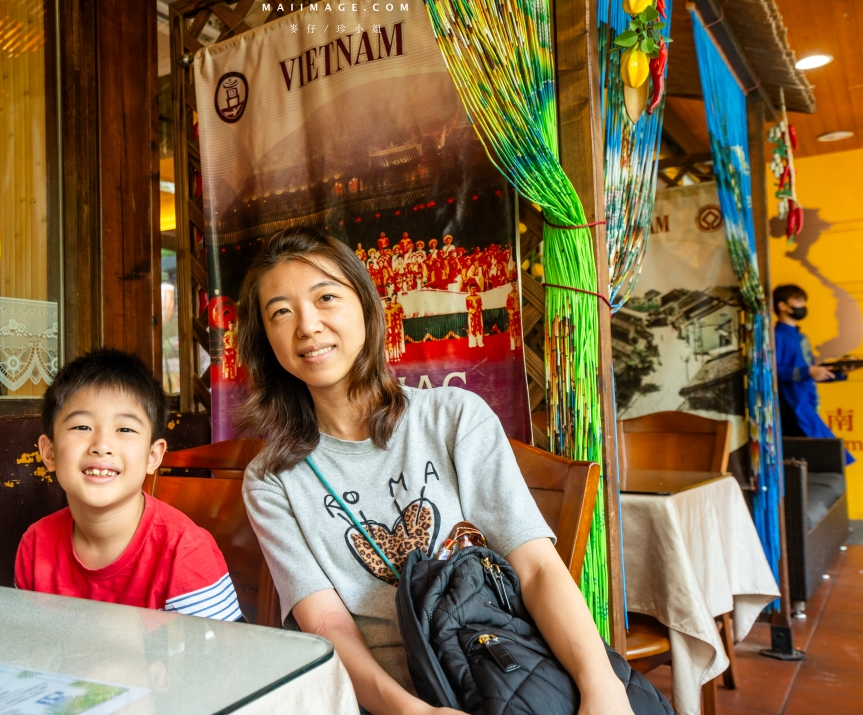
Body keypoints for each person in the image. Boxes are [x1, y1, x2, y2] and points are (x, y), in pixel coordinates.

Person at [236, 228, 633, 715]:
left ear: (366, 305)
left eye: (326, 298)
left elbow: (535, 568)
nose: (308, 325)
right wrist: (411, 711)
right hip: (375, 699)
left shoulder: (454, 418)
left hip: (496, 672)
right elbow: (326, 625)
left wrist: (603, 687)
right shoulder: (271, 477)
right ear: (265, 339)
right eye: (281, 312)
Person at [15, 348, 244, 620]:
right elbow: (32, 647)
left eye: (124, 429)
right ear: (50, 452)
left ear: (152, 456)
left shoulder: (184, 552)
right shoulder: (35, 545)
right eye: (82, 427)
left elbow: (219, 658)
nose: (102, 446)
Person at [773, 284, 855, 463]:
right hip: (792, 407)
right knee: (826, 457)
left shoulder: (801, 338)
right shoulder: (775, 336)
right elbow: (773, 373)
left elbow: (811, 373)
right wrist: (808, 371)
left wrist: (840, 373)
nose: (803, 305)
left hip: (807, 402)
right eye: (798, 300)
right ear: (782, 306)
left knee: (831, 457)